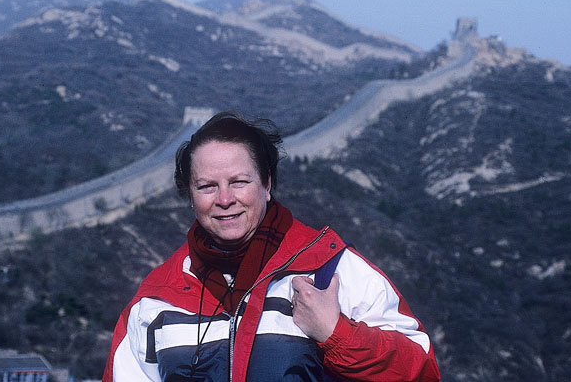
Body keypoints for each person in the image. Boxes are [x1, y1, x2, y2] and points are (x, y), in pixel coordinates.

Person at [103, 111, 440, 382]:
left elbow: (422, 370)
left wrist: (335, 334)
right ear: (190, 196)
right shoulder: (156, 299)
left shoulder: (330, 271)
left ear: (266, 184)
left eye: (239, 182)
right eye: (206, 186)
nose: (224, 199)